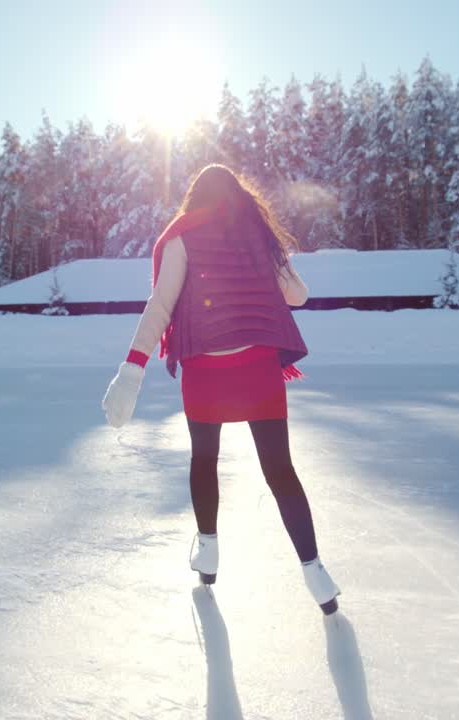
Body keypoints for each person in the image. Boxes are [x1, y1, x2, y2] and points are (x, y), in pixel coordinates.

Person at [101, 164, 341, 615]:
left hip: (205, 373)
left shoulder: (181, 236)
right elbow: (298, 296)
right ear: (238, 197)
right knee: (280, 470)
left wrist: (132, 370)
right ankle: (316, 573)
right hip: (259, 371)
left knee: (204, 459)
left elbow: (161, 305)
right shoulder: (258, 235)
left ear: (195, 198)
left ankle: (207, 550)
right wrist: (272, 263)